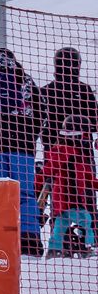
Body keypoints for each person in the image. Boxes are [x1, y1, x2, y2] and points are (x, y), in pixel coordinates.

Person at [0, 46, 43, 256]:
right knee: (25, 194)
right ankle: (29, 239)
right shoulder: (24, 79)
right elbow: (41, 109)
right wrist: (30, 135)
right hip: (21, 145)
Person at [37, 46, 97, 255]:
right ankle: (88, 240)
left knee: (60, 200)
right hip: (81, 155)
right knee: (85, 197)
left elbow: (38, 123)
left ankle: (60, 243)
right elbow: (96, 122)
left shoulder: (46, 91)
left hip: (56, 154)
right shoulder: (83, 90)